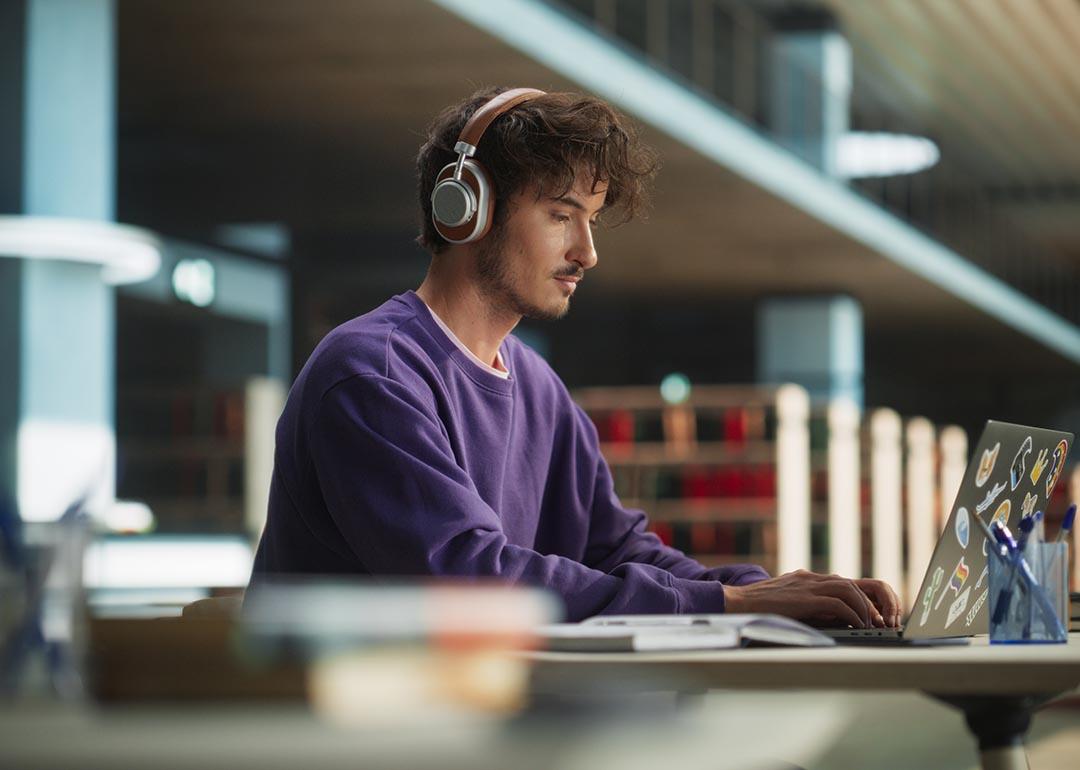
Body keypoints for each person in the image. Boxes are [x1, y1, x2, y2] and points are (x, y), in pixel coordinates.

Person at [250, 86, 901, 628]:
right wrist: (725, 603)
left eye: (590, 220)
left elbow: (616, 549)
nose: (588, 253)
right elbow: (467, 576)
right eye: (562, 215)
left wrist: (773, 593)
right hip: (348, 734)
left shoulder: (536, 386)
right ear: (467, 210)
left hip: (459, 721)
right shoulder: (372, 374)